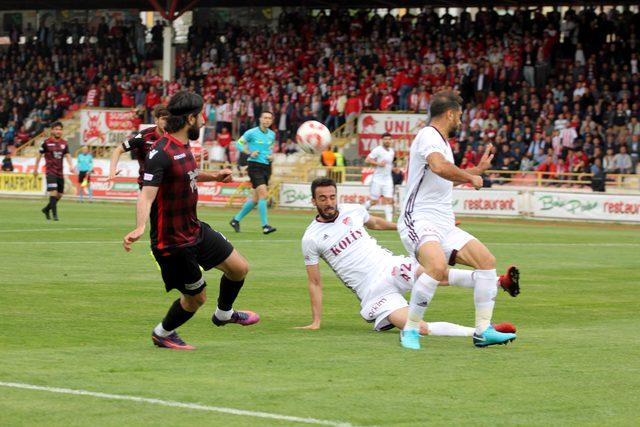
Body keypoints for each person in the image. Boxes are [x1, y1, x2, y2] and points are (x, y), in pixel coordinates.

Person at [123, 91, 259, 350]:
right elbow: (146, 196)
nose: (205, 120)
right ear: (190, 119)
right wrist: (140, 226)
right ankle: (162, 333)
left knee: (239, 268)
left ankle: (224, 314)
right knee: (196, 299)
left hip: (194, 230)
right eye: (201, 116)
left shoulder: (183, 147)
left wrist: (215, 177)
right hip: (172, 244)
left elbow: (189, 173)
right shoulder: (159, 153)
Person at [298, 178, 519, 335]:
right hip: (373, 292)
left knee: (437, 271)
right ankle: (481, 331)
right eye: (323, 198)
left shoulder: (352, 210)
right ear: (313, 201)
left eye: (332, 197)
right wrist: (316, 321)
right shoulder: (311, 238)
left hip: (389, 265)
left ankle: (499, 282)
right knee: (418, 328)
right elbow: (314, 282)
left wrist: (400, 226)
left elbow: (374, 222)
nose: (329, 202)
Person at [397, 91, 516, 350]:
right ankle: (410, 329)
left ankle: (483, 330)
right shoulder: (429, 135)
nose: (461, 121)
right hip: (418, 218)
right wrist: (471, 178)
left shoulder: (441, 142)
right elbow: (440, 168)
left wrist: (476, 171)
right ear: (449, 114)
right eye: (460, 116)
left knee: (486, 262)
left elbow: (446, 173)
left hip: (443, 223)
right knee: (437, 266)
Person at [229, 111, 277, 235]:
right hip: (254, 167)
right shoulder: (251, 132)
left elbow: (270, 149)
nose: (267, 120)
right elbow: (238, 143)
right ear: (260, 119)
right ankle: (265, 226)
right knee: (264, 195)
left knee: (256, 199)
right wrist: (249, 152)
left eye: (269, 118)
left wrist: (272, 156)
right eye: (265, 118)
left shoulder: (272, 135)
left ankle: (236, 219)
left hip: (267, 167)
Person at [109, 105, 169, 187]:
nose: (166, 122)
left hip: (167, 184)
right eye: (164, 119)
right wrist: (112, 170)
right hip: (147, 184)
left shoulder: (173, 136)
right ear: (156, 120)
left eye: (169, 119)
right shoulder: (144, 136)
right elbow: (118, 150)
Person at [33, 122, 76, 221]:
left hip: (60, 172)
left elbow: (68, 155)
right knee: (53, 192)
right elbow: (39, 156)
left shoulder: (64, 143)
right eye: (56, 129)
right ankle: (55, 215)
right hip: (50, 172)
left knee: (60, 194)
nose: (58, 131)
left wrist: (71, 166)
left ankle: (46, 209)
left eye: (60, 129)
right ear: (52, 130)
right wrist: (35, 169)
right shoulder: (46, 143)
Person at [364, 133, 395, 221]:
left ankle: (389, 222)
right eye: (385, 139)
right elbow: (367, 160)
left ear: (391, 141)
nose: (387, 141)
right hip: (377, 179)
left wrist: (394, 168)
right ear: (382, 140)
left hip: (388, 179)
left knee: (389, 200)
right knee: (374, 201)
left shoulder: (392, 151)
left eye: (389, 139)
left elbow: (389, 164)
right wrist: (378, 164)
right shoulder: (377, 150)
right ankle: (361, 210)